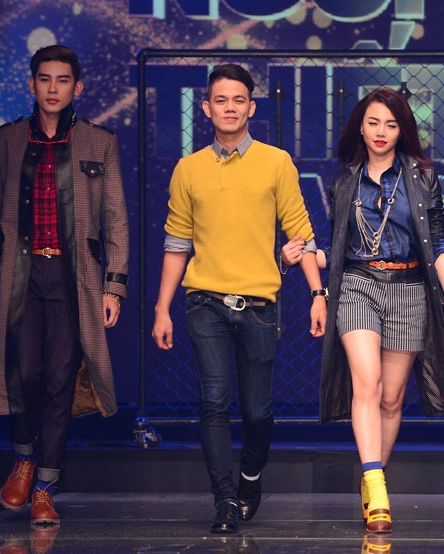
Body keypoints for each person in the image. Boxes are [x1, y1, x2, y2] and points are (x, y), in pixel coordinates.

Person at [283, 88, 444, 533]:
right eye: (374, 122)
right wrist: (302, 256)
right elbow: (339, 249)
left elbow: (439, 244)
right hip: (357, 285)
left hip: (409, 288)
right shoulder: (344, 182)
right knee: (367, 381)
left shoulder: (422, 177)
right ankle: (377, 486)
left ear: (402, 131)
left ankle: (371, 473)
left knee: (392, 398)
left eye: (391, 125)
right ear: (361, 127)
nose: (381, 132)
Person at [150, 63, 326, 534]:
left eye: (238, 100)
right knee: (213, 400)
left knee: (257, 411)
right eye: (221, 100)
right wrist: (162, 308)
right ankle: (224, 500)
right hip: (204, 301)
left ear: (251, 107)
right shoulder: (188, 169)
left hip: (259, 306)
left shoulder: (276, 162)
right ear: (206, 108)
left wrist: (317, 293)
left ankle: (249, 476)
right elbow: (176, 244)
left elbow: (301, 232)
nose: (230, 108)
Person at [0, 45, 129, 526]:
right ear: (32, 84)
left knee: (61, 379)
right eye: (45, 79)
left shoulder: (98, 142)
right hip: (19, 275)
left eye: (63, 80)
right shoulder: (5, 141)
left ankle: (45, 485)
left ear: (76, 87)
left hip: (72, 277)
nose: (53, 88)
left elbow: (116, 220)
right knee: (22, 374)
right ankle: (23, 458)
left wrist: (114, 286)